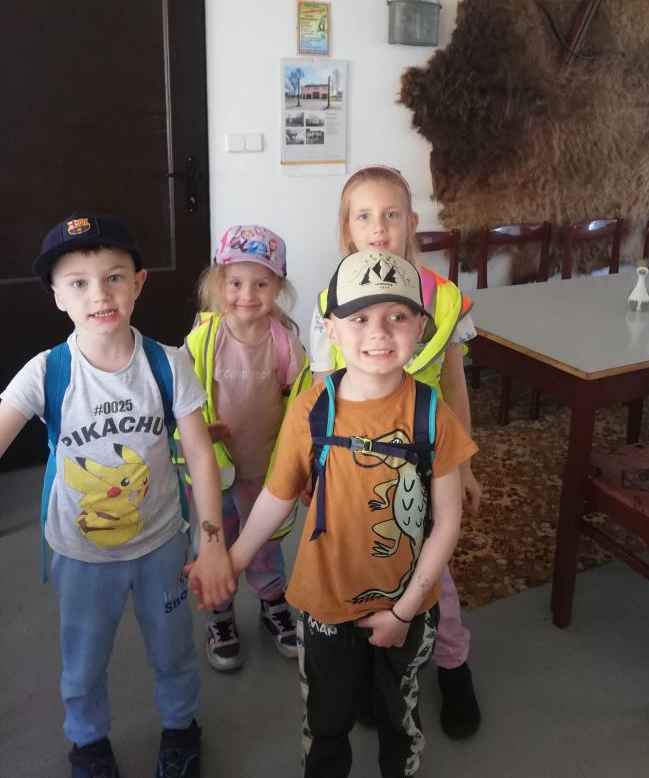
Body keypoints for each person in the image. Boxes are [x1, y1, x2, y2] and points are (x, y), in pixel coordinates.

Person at [188, 249, 477, 778]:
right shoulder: (311, 409)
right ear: (331, 329)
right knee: (325, 719)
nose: (379, 332)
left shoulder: (433, 413)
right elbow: (276, 497)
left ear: (420, 327)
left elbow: (448, 522)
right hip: (324, 603)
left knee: (399, 714)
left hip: (407, 603)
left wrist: (404, 612)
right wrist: (232, 560)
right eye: (359, 318)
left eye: (397, 316)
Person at [0, 213, 234, 778]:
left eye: (113, 277)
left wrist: (212, 543)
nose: (99, 294)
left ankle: (181, 729)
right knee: (83, 663)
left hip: (161, 546)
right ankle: (88, 743)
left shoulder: (167, 364)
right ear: (57, 296)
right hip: (81, 555)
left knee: (173, 651)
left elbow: (201, 455)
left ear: (138, 282)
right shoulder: (47, 372)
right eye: (78, 282)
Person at [308, 165, 482, 738]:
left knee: (435, 574)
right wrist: (316, 470)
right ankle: (374, 668)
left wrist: (466, 466)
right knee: (365, 563)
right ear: (347, 229)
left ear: (411, 222)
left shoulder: (445, 300)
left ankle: (453, 665)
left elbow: (454, 388)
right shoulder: (330, 302)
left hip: (427, 460)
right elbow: (321, 399)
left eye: (391, 214)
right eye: (364, 216)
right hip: (357, 465)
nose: (379, 227)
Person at [182, 224, 307, 669]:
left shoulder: (284, 342)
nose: (247, 295)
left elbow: (301, 404)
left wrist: (301, 465)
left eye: (261, 284)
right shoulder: (204, 338)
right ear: (219, 284)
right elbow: (181, 399)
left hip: (264, 468)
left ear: (278, 287)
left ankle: (273, 602)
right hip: (212, 469)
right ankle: (219, 612)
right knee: (213, 538)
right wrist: (197, 433)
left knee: (264, 539)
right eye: (236, 283)